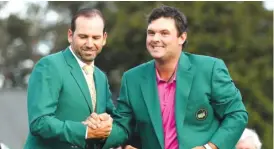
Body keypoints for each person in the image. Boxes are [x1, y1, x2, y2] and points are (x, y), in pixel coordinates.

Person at [84, 5, 248, 149]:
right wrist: (103, 129)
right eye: (151, 33)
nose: (156, 39)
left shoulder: (210, 69)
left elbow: (237, 115)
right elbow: (123, 128)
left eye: (164, 33)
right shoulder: (132, 78)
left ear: (182, 38)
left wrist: (209, 147)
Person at [24, 8, 115, 149]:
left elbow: (111, 115)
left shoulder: (100, 77)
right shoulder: (49, 66)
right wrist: (86, 131)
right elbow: (39, 122)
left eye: (96, 38)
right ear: (70, 35)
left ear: (104, 39)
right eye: (83, 37)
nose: (90, 44)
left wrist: (107, 122)